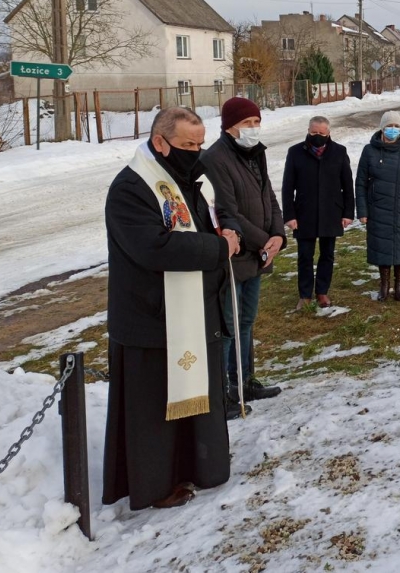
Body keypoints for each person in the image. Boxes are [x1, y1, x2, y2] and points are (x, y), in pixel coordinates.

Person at [103, 106, 240, 510]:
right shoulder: (132, 187)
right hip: (152, 319)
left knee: (195, 398)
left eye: (199, 144)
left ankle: (197, 467)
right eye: (186, 144)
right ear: (159, 142)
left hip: (194, 313)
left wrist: (224, 231)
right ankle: (155, 485)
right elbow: (153, 246)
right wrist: (219, 247)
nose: (195, 152)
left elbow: (206, 219)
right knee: (154, 413)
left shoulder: (187, 178)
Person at [199, 97, 286, 419]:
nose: (253, 128)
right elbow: (227, 211)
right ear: (229, 126)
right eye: (247, 123)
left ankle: (244, 381)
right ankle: (222, 392)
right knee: (228, 326)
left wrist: (278, 236)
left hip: (259, 254)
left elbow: (270, 197)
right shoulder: (216, 158)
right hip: (233, 254)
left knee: (246, 322)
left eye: (256, 122)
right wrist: (265, 240)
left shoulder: (255, 153)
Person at [281, 115, 355, 310]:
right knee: (305, 255)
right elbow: (287, 186)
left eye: (322, 133)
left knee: (327, 254)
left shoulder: (339, 152)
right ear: (308, 131)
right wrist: (289, 215)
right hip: (304, 213)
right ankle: (305, 295)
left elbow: (348, 185)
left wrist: (348, 213)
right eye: (314, 132)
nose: (318, 136)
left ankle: (322, 291)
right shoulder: (295, 152)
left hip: (331, 213)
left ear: (328, 133)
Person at [355, 110, 400, 301]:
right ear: (382, 128)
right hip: (378, 208)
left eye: (396, 126)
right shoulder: (369, 150)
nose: (393, 130)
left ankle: (399, 285)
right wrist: (362, 210)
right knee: (381, 247)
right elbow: (361, 182)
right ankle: (384, 285)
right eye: (389, 126)